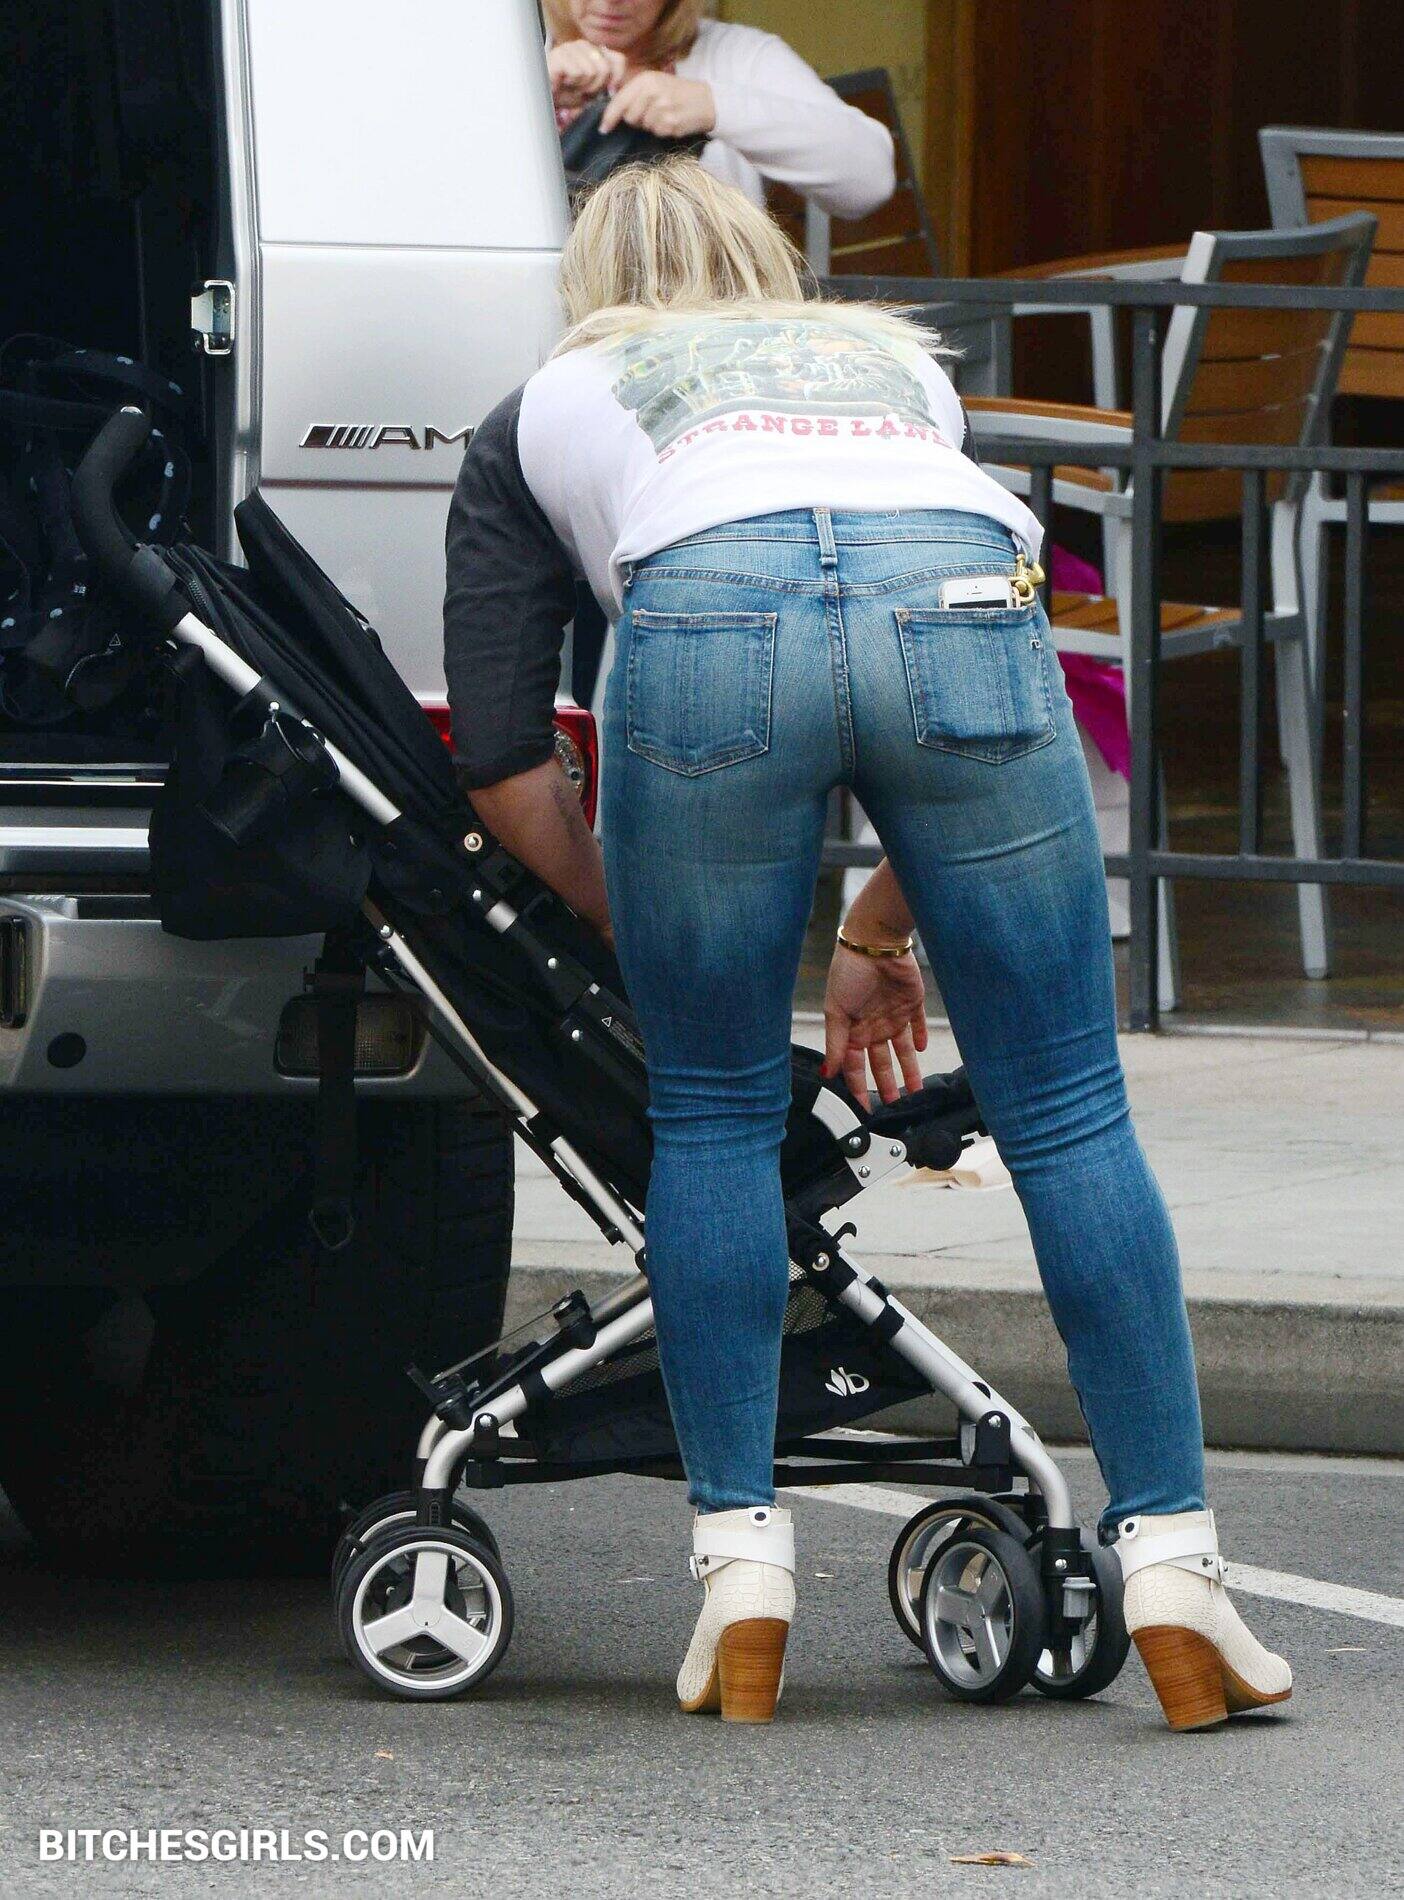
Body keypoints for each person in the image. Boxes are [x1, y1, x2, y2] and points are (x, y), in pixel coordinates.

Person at [442, 160, 1293, 1732]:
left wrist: (634, 904)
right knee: (1069, 1112)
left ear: (590, 283)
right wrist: (878, 926)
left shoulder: (543, 407)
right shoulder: (895, 366)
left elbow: (500, 758)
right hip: (954, 589)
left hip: (703, 617)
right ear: (769, 261)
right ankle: (1176, 1568)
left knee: (709, 1115)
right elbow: (946, 656)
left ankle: (740, 1575)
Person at [544, 0, 895, 219]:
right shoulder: (524, 58)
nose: (609, 1)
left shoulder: (735, 57)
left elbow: (870, 179)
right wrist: (538, 92)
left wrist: (716, 107)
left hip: (708, 308)